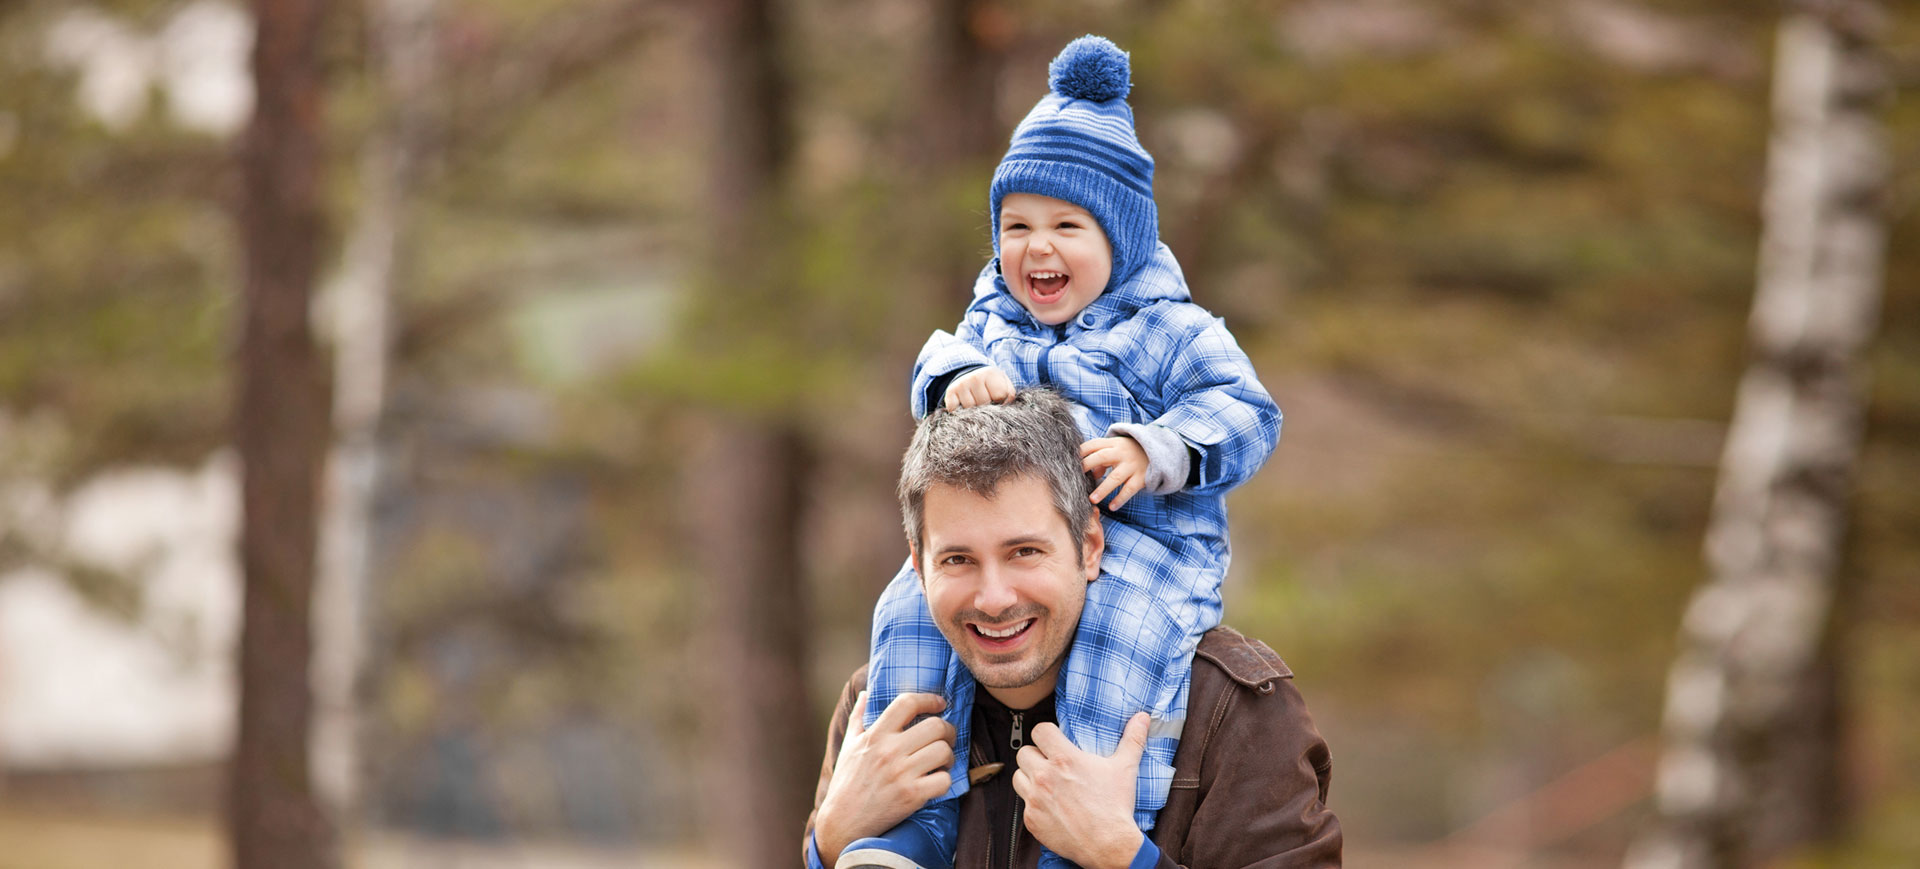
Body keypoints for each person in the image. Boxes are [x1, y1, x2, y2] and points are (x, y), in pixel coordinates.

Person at [844, 34, 1283, 869]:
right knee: (903, 612)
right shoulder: (995, 317)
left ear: (1120, 238)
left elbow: (1247, 412)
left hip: (1147, 546)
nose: (1035, 247)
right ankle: (908, 827)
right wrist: (959, 376)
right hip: (1036, 519)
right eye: (1015, 226)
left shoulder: (1168, 328)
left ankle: (1077, 837)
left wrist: (1154, 447)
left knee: (1116, 644)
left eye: (1065, 225)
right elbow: (933, 360)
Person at [807, 390, 1339, 868]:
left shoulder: (1232, 706)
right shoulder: (875, 706)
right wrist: (828, 843)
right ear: (919, 568)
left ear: (1089, 547)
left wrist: (1122, 857)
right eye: (957, 560)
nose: (994, 599)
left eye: (1025, 552)